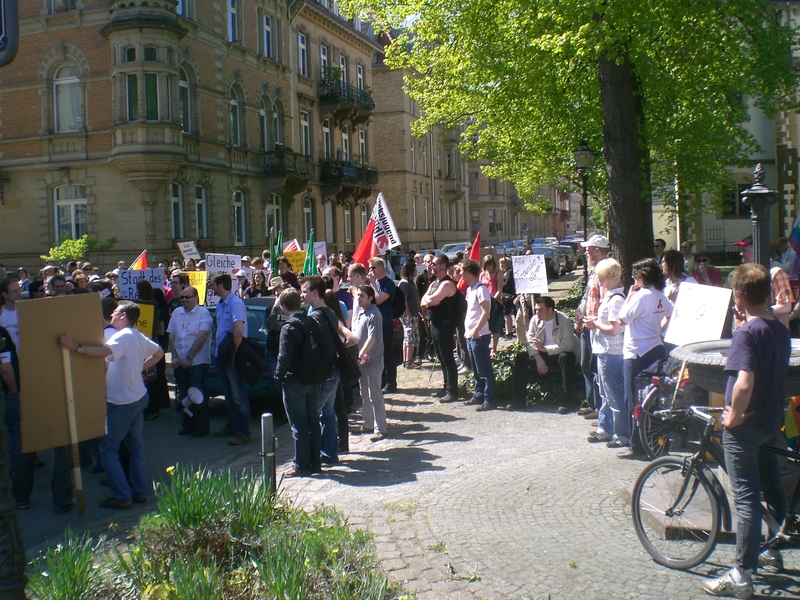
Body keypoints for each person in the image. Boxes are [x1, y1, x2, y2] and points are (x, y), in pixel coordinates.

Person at [701, 263, 789, 599]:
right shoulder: (777, 328)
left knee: (746, 497)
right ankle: (773, 549)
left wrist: (734, 416)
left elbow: (744, 383)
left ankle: (741, 574)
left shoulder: (746, 334)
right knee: (773, 486)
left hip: (746, 427)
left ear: (738, 294)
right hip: (770, 422)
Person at [59, 301, 164, 509]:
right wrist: (141, 368)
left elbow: (102, 352)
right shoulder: (136, 335)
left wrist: (75, 347)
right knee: (136, 447)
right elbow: (159, 353)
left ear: (123, 316)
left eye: (115, 312)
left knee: (107, 450)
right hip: (138, 397)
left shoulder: (122, 336)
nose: (111, 315)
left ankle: (123, 497)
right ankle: (140, 492)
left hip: (122, 402)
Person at [616, 258, 673, 459]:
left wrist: (630, 296)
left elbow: (622, 318)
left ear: (643, 276)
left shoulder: (640, 296)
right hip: (656, 348)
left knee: (633, 399)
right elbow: (670, 313)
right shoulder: (660, 295)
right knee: (654, 399)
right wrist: (659, 330)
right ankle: (657, 442)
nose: (632, 277)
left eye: (635, 274)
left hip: (636, 352)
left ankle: (637, 446)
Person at [301, 276, 357, 462]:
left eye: (304, 291)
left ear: (315, 293)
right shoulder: (330, 313)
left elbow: (318, 348)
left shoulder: (316, 317)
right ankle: (330, 454)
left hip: (325, 374)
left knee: (313, 414)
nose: (301, 294)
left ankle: (312, 457)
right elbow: (349, 339)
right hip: (332, 371)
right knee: (328, 413)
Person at [274, 289, 323, 476]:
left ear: (283, 305)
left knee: (298, 426)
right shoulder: (311, 321)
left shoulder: (288, 327)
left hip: (294, 380)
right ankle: (315, 462)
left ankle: (301, 465)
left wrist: (278, 376)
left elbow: (284, 357)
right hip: (313, 378)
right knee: (313, 422)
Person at [583, 259, 626, 445]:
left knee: (613, 395)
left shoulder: (616, 300)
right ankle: (606, 428)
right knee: (606, 393)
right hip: (606, 351)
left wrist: (595, 323)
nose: (597, 279)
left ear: (608, 277)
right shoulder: (611, 297)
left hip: (612, 352)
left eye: (599, 276)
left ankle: (621, 434)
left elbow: (614, 329)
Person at [511, 296, 579, 410]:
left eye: (540, 310)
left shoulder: (564, 320)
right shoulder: (535, 320)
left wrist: (545, 349)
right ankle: (519, 401)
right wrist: (538, 358)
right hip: (541, 353)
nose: (537, 312)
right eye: (536, 310)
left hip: (559, 352)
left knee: (566, 357)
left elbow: (568, 345)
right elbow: (529, 341)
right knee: (521, 358)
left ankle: (565, 401)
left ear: (550, 310)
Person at [208, 270, 251, 445]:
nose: (211, 288)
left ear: (220, 285)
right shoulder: (220, 304)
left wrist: (232, 355)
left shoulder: (235, 303)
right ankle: (232, 426)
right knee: (228, 394)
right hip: (221, 356)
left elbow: (238, 332)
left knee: (238, 395)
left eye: (212, 284)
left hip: (232, 357)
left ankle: (243, 432)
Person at [168, 285, 212, 437]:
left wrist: (189, 357)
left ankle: (202, 427)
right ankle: (188, 425)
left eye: (188, 297)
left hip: (197, 363)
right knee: (183, 395)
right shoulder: (176, 313)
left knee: (197, 395)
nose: (184, 300)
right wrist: (174, 356)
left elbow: (202, 337)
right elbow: (171, 335)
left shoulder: (203, 313)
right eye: (182, 297)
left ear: (196, 298)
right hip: (180, 362)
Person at [574, 234, 611, 419]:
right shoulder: (593, 270)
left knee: (594, 366)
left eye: (588, 249)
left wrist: (595, 321)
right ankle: (591, 403)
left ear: (597, 250)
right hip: (586, 323)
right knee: (585, 365)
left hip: (595, 326)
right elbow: (588, 296)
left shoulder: (606, 270)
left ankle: (599, 407)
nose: (585, 251)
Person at [420, 254, 459, 403]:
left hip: (445, 325)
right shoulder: (434, 283)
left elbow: (432, 299)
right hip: (434, 324)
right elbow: (424, 299)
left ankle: (452, 390)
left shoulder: (447, 284)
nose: (431, 266)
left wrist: (429, 301)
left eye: (434, 264)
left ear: (443, 266)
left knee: (447, 357)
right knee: (441, 357)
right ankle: (446, 386)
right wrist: (429, 301)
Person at [351, 285, 387, 441]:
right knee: (364, 394)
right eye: (358, 295)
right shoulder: (361, 312)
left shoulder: (374, 313)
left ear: (370, 298)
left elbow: (373, 338)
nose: (358, 298)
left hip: (372, 361)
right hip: (361, 362)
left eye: (361, 296)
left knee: (375, 396)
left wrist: (361, 353)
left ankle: (381, 429)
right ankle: (368, 424)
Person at [735, 235, 794, 329]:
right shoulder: (742, 274)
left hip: (772, 333)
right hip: (748, 331)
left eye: (745, 250)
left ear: (757, 251)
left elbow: (786, 307)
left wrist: (759, 312)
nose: (741, 254)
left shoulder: (776, 273)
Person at [461, 259, 497, 411]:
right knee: (476, 369)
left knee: (484, 368)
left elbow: (485, 312)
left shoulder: (481, 289)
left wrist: (476, 330)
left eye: (462, 271)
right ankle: (478, 394)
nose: (460, 274)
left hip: (480, 335)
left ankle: (489, 398)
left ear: (468, 271)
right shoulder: (470, 290)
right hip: (470, 335)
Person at [367, 257, 398, 393]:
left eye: (373, 267)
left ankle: (391, 383)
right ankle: (382, 381)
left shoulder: (388, 283)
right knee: (377, 354)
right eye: (369, 268)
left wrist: (373, 284)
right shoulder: (373, 283)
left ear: (381, 268)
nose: (371, 270)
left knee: (387, 353)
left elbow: (379, 299)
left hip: (385, 322)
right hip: (375, 321)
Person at [398, 261, 421, 369]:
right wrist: (408, 314)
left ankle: (407, 360)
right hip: (409, 314)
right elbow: (403, 299)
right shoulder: (405, 283)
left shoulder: (411, 282)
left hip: (413, 312)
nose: (416, 272)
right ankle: (408, 361)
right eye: (414, 270)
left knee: (408, 337)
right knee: (411, 337)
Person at [480, 255, 501, 355]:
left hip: (495, 303)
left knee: (495, 327)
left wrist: (493, 299)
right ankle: (485, 346)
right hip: (484, 303)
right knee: (484, 326)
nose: (488, 267)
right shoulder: (482, 275)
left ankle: (494, 348)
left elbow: (499, 290)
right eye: (486, 265)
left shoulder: (498, 274)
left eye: (490, 264)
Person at [0, 278, 21, 348]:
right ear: (5, 294)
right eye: (15, 291)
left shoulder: (26, 312)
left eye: (19, 290)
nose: (19, 293)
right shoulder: (1, 315)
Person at [500, 257, 516, 338]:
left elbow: (507, 283)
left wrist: (499, 286)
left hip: (509, 295)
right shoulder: (505, 272)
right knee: (506, 314)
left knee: (507, 314)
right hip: (506, 295)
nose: (501, 265)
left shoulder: (510, 272)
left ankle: (508, 332)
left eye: (503, 263)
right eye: (501, 263)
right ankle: (508, 330)